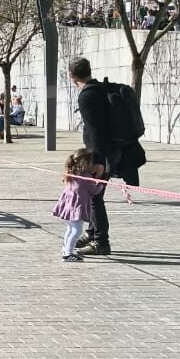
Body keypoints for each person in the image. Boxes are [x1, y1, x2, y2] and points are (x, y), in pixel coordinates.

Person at [70, 57, 146, 255]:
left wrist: (98, 161)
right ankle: (92, 232)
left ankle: (101, 242)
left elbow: (96, 131)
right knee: (93, 195)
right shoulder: (100, 88)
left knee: (95, 198)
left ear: (71, 76)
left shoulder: (86, 96)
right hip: (113, 150)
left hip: (101, 154)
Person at [53, 149, 106, 262]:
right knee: (77, 231)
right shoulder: (85, 176)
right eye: (91, 162)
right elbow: (94, 190)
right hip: (77, 208)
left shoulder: (71, 173)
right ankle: (68, 254)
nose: (93, 165)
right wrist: (100, 181)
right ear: (85, 163)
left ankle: (66, 248)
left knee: (70, 229)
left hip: (68, 208)